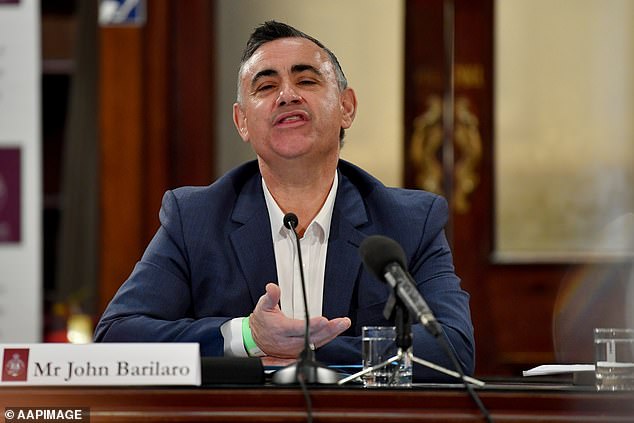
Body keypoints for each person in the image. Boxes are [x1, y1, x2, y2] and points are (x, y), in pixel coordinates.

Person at [94, 20, 475, 381]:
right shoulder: (195, 218)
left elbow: (453, 349)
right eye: (265, 87)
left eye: (306, 80)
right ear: (242, 122)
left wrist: (305, 353)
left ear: (347, 108)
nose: (287, 95)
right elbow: (116, 337)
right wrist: (247, 337)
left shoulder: (409, 222)